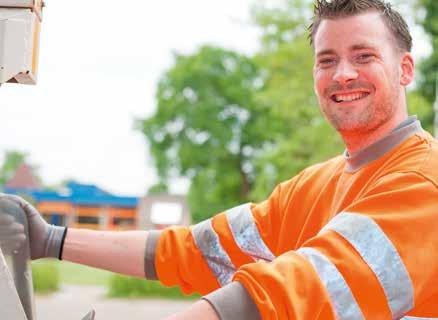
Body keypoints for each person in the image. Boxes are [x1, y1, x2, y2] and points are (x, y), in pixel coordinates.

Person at [1, 0, 438, 319]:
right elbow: (198, 250)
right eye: (328, 60)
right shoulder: (314, 186)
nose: (343, 73)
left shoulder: (423, 182)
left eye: (363, 56)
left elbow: (306, 286)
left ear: (404, 69)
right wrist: (52, 240)